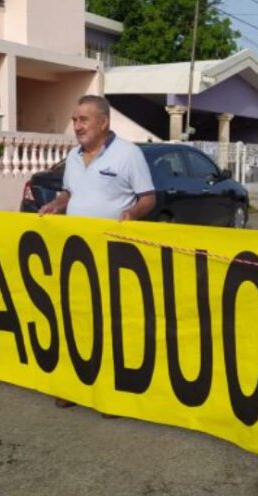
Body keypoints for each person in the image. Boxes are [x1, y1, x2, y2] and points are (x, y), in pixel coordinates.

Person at [39, 95, 156, 409]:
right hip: (76, 254)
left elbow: (148, 198)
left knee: (110, 321)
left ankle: (111, 394)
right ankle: (74, 384)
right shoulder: (74, 157)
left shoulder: (128, 154)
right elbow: (70, 193)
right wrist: (56, 204)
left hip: (113, 255)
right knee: (76, 317)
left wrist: (132, 214)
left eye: (83, 120)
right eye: (75, 120)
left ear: (103, 123)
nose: (76, 127)